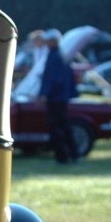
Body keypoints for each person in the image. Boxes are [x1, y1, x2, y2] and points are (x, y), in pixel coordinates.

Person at [39, 28, 79, 164]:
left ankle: (62, 156)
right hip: (61, 98)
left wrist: (44, 94)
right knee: (64, 126)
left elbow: (53, 79)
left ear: (53, 41)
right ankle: (73, 153)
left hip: (55, 99)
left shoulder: (55, 56)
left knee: (57, 128)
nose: (46, 43)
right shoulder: (60, 55)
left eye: (48, 41)